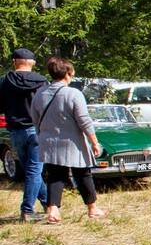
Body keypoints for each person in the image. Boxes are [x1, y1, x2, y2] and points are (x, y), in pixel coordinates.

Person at [29, 57, 103, 223]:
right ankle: (92, 208)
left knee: (55, 175)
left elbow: (34, 118)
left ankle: (53, 211)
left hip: (48, 141)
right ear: (68, 74)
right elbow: (84, 120)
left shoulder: (40, 93)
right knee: (83, 173)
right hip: (73, 142)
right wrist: (94, 142)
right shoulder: (73, 93)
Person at [0, 47, 49, 222]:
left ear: (14, 62)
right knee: (34, 171)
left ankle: (49, 204)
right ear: (33, 63)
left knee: (31, 170)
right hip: (37, 131)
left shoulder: (4, 81)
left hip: (15, 131)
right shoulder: (42, 82)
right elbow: (48, 106)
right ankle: (27, 210)